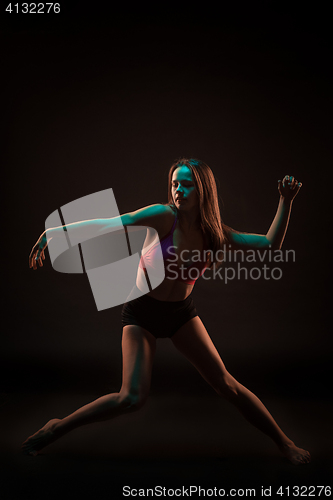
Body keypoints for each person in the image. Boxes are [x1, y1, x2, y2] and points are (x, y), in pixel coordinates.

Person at [23, 158, 310, 465]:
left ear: (203, 190)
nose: (179, 190)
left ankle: (285, 443)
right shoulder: (163, 216)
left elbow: (269, 244)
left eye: (187, 184)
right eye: (175, 183)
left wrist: (285, 200)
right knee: (130, 398)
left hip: (181, 315)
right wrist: (57, 231)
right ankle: (55, 428)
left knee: (226, 384)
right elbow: (111, 223)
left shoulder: (214, 232)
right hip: (141, 313)